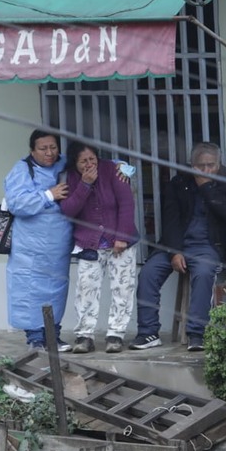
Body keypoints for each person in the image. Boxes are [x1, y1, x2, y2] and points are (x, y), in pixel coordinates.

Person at [131, 142, 226, 352]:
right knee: (148, 273)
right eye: (201, 166)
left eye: (211, 165)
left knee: (203, 273)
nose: (206, 170)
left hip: (208, 246)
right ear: (192, 165)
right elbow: (170, 219)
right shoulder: (179, 182)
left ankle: (196, 334)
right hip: (175, 245)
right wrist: (175, 251)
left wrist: (207, 187)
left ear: (219, 164)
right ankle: (148, 332)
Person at [59, 141, 138, 354]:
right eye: (83, 161)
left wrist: (121, 236)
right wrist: (84, 185)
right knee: (86, 289)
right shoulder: (70, 178)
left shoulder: (113, 170)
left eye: (92, 159)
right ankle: (84, 336)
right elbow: (68, 210)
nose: (89, 164)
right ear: (74, 163)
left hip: (120, 241)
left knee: (122, 288)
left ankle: (116, 335)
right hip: (88, 243)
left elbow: (127, 203)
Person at [4, 129, 73, 351]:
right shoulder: (22, 170)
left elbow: (93, 163)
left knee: (56, 289)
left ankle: (54, 336)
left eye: (53, 147)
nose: (49, 153)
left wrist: (121, 166)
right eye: (43, 148)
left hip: (58, 245)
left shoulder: (65, 164)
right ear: (32, 150)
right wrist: (48, 195)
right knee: (28, 291)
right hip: (29, 248)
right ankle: (35, 337)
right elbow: (17, 204)